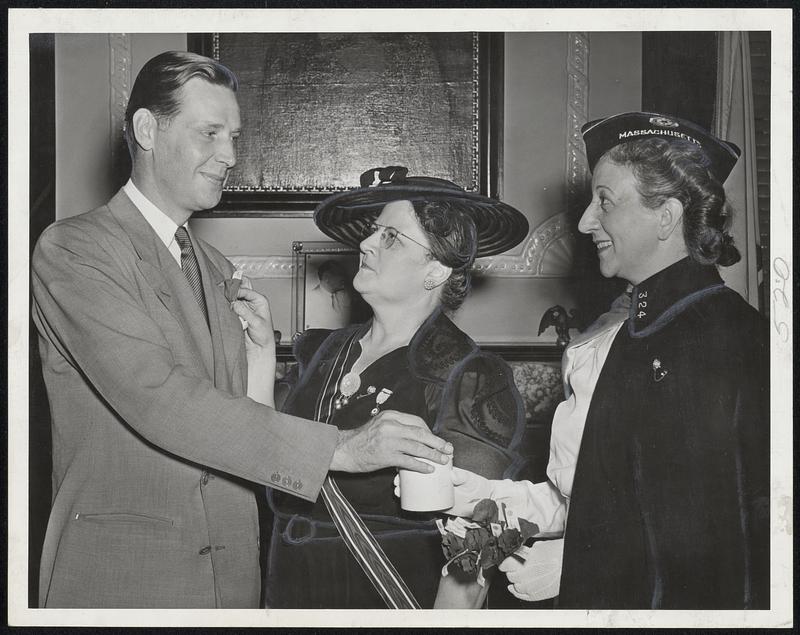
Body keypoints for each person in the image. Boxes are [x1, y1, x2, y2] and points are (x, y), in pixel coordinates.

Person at [30, 52, 453, 609]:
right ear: (146, 129)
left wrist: (258, 365)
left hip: (230, 588)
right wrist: (342, 449)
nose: (229, 156)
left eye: (233, 136)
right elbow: (160, 400)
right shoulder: (75, 251)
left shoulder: (219, 270)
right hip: (124, 579)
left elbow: (238, 432)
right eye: (210, 133)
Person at [425, 112, 769, 609]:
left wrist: (578, 562)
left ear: (667, 216)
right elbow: (618, 503)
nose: (586, 222)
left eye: (604, 201)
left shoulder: (731, 343)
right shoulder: (632, 334)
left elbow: (719, 550)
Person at [263, 166, 530, 609]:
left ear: (437, 269)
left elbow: (479, 536)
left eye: (391, 237)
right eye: (372, 232)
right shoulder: (323, 352)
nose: (366, 243)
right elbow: (269, 459)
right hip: (289, 591)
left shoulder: (470, 377)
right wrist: (257, 357)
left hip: (385, 600)